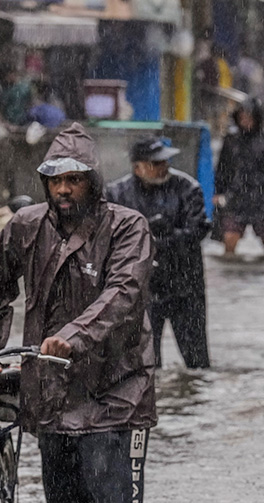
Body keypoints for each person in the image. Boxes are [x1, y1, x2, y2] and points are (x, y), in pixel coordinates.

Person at [0, 122, 157, 503]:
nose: (64, 189)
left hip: (116, 393)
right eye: (55, 179)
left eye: (74, 179)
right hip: (52, 397)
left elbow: (122, 295)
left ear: (92, 182)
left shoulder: (128, 227)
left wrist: (72, 337)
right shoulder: (26, 225)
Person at [105, 137, 211, 369]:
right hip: (143, 289)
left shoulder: (187, 187)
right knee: (145, 364)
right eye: (155, 163)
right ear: (137, 167)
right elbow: (110, 241)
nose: (162, 167)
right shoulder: (117, 194)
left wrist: (165, 237)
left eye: (164, 161)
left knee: (197, 362)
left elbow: (198, 230)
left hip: (185, 286)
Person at [215, 99, 264, 258]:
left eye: (249, 117)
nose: (245, 121)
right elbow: (222, 169)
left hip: (261, 195)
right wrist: (218, 192)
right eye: (242, 117)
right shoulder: (231, 141)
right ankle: (231, 266)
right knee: (230, 237)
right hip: (236, 195)